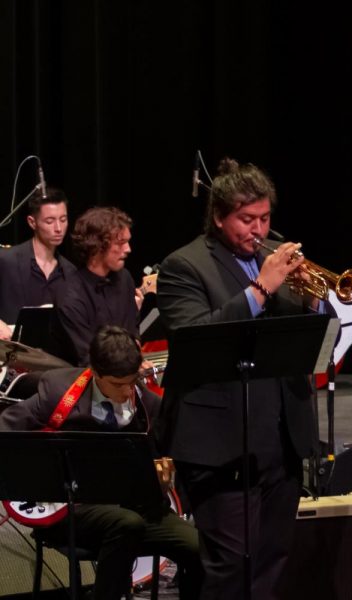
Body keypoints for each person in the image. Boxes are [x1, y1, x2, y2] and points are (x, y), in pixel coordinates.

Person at [156, 157, 325, 600]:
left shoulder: (278, 251)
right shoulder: (183, 266)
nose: (258, 230)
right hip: (220, 442)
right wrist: (260, 288)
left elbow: (301, 336)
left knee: (272, 559)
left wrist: (313, 304)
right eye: (246, 220)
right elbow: (196, 338)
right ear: (218, 217)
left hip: (280, 434)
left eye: (265, 218)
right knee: (230, 569)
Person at [0, 326, 201, 600]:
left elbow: (179, 439)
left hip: (132, 508)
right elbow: (6, 430)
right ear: (95, 372)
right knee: (126, 524)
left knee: (197, 546)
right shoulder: (59, 392)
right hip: (70, 508)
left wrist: (162, 471)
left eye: (132, 381)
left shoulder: (143, 401)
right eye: (118, 384)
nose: (128, 390)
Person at [56, 207, 141, 366]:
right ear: (97, 246)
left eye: (127, 242)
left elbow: (133, 333)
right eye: (121, 243)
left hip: (126, 372)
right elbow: (87, 357)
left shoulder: (125, 279)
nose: (128, 249)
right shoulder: (70, 294)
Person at [0, 187, 76, 340]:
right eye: (50, 221)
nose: (58, 228)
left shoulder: (71, 272)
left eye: (63, 219)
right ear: (32, 222)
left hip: (52, 360)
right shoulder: (6, 260)